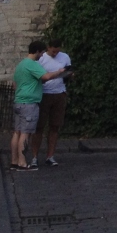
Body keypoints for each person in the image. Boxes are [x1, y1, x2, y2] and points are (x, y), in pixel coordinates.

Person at [12, 40, 69, 171]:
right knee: (25, 133)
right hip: (29, 103)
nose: (42, 55)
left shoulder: (21, 64)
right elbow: (46, 76)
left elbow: (15, 84)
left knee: (17, 133)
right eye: (42, 52)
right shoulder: (32, 64)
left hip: (19, 101)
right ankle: (22, 163)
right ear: (37, 51)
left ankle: (14, 161)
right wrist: (59, 72)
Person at [31, 39, 72, 167]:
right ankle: (34, 157)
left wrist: (69, 75)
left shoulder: (65, 57)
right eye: (53, 51)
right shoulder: (41, 58)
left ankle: (50, 156)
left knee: (55, 126)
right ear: (48, 48)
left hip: (59, 93)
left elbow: (69, 72)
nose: (55, 54)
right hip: (44, 94)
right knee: (39, 127)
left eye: (57, 52)